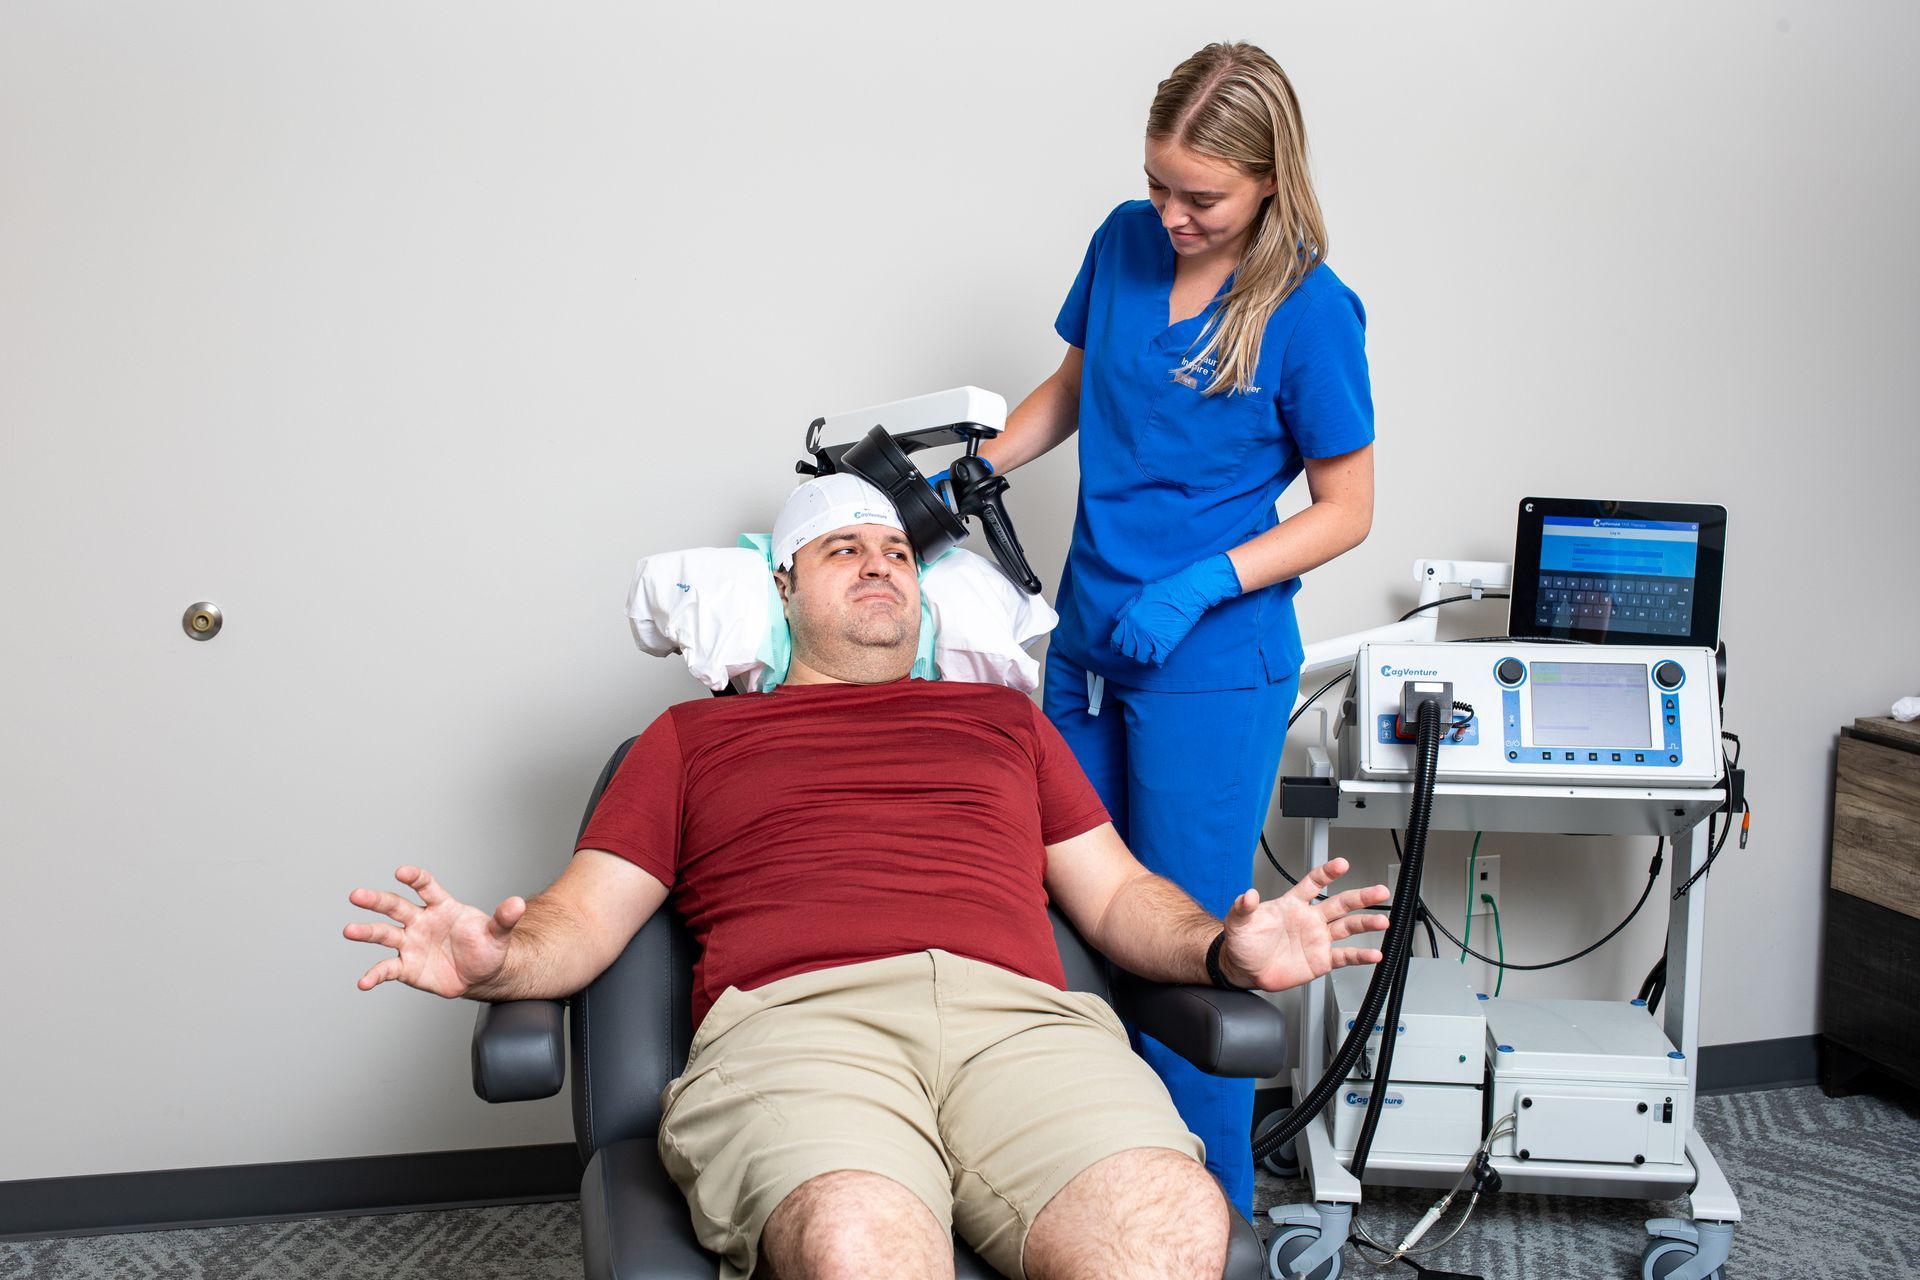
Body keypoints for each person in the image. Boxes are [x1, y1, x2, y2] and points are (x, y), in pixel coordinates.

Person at [345, 473, 1387, 1280]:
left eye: (897, 551)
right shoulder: (692, 737)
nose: (881, 564)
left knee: (1169, 1218)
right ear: (783, 586)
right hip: (800, 1026)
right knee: (857, 1242)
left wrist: (1219, 943)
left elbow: (1118, 895)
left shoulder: (1003, 723)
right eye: (844, 548)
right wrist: (499, 959)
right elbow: (582, 915)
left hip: (1023, 1024)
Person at [975, 41, 1376, 1214]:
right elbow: (1075, 382)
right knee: (1064, 923)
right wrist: (975, 474)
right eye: (1158, 181)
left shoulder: (1310, 310)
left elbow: (1348, 509)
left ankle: (1214, 1220)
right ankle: (1074, 1192)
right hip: (1091, 637)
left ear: (1267, 178)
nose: (1171, 212)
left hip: (1210, 662)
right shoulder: (1122, 241)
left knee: (1198, 943)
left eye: (1198, 195)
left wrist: (1206, 581)